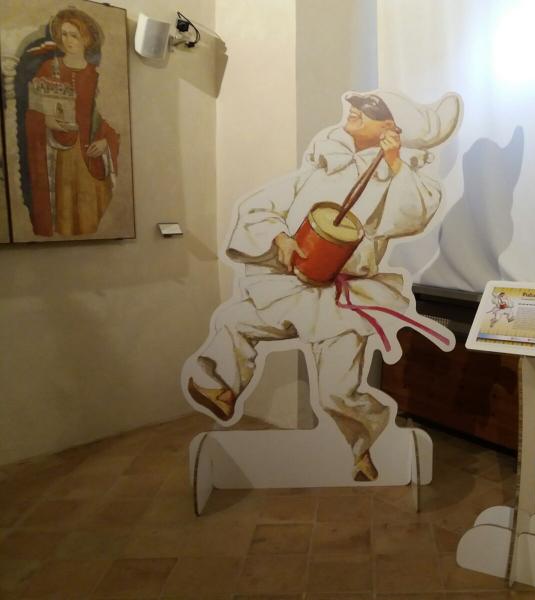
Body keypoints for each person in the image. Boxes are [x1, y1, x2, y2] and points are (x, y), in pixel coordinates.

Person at [184, 90, 461, 481]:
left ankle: (364, 447)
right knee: (234, 321)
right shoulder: (323, 164)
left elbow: (413, 214)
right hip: (296, 286)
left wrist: (395, 161)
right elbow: (260, 207)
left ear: (390, 127)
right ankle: (224, 390)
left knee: (336, 390)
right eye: (356, 105)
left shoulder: (397, 175)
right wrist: (280, 238)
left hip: (344, 296)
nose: (355, 110)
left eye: (369, 110)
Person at [25, 8, 119, 236]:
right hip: (61, 153)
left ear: (86, 39)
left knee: (92, 209)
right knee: (65, 209)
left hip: (91, 152)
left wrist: (106, 142)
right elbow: (34, 109)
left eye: (74, 35)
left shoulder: (97, 75)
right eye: (64, 34)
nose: (68, 40)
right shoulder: (48, 68)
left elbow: (109, 118)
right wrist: (47, 120)